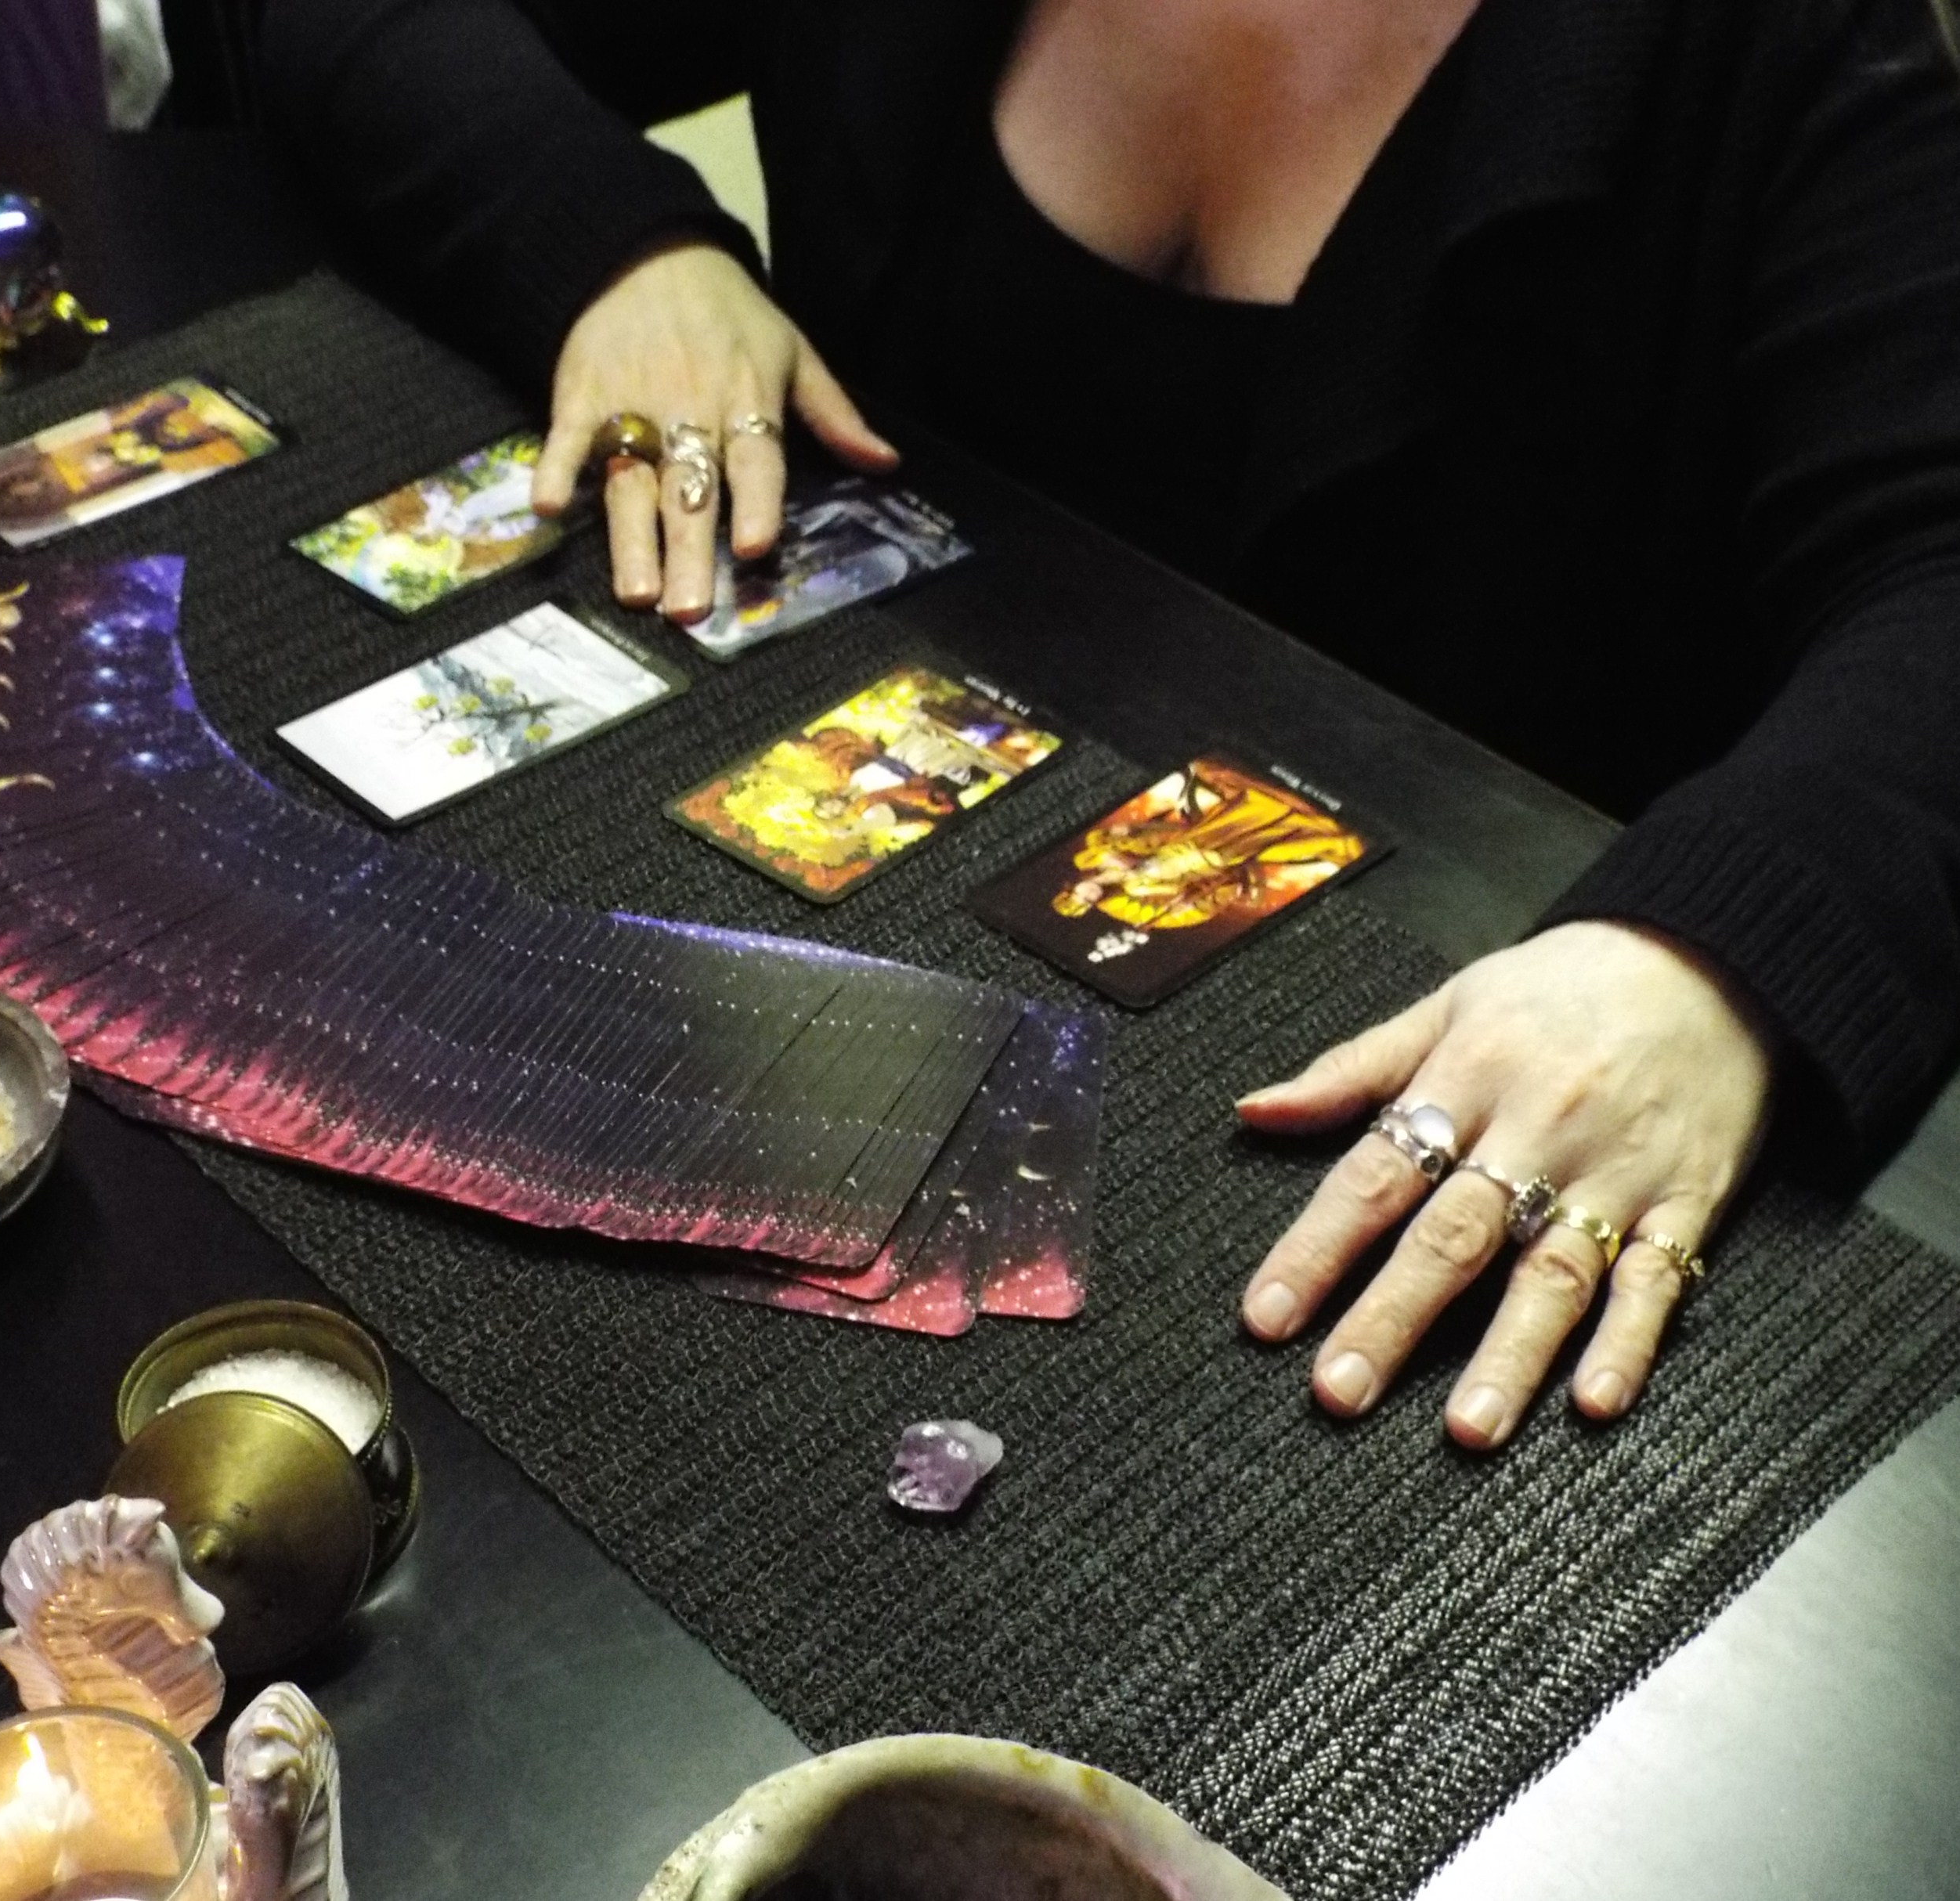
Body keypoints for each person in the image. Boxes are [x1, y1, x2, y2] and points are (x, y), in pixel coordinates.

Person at [258, 0, 1960, 1449]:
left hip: (1410, 1141)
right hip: (820, 1018)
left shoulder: (1769, 48)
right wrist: (622, 250)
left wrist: (1714, 949)